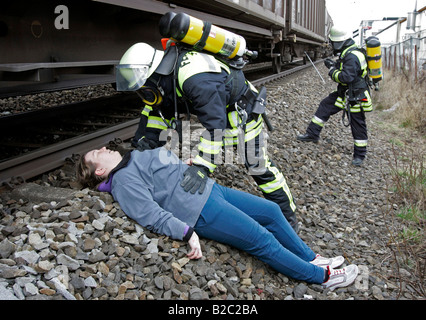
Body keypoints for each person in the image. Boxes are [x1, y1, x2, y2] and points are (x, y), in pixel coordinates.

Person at [76, 146, 359, 290]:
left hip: (210, 189)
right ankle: (321, 277)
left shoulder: (133, 157)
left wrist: (181, 164)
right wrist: (187, 233)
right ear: (100, 172)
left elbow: (161, 173)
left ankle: (310, 258)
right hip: (201, 210)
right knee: (262, 240)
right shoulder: (124, 181)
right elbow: (151, 215)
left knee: (271, 211)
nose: (103, 149)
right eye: (97, 154)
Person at [114, 40, 300, 232]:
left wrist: (203, 166)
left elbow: (215, 126)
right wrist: (144, 144)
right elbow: (155, 112)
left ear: (153, 73)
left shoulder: (196, 78)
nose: (144, 93)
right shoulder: (164, 78)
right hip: (220, 112)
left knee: (257, 166)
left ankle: (288, 216)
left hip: (242, 112)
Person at [297, 26, 373, 166]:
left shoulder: (351, 56)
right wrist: (334, 64)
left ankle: (360, 156)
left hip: (355, 96)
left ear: (339, 42)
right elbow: (347, 69)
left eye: (333, 43)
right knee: (325, 106)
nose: (332, 45)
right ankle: (312, 134)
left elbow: (346, 77)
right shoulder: (350, 52)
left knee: (357, 124)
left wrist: (332, 71)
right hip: (345, 93)